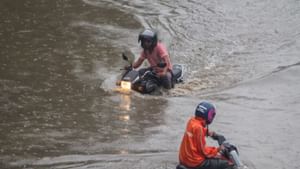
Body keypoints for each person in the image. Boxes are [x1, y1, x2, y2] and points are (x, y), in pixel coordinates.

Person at [178, 101, 234, 169]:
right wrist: (218, 149)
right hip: (195, 162)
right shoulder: (199, 129)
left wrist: (208, 133)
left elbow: (194, 132)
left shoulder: (191, 121)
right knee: (228, 164)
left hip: (184, 159)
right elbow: (204, 152)